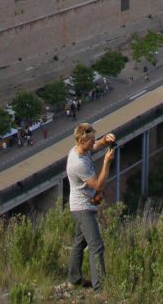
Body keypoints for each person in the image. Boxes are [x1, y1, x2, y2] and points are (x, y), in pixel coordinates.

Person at [67, 122, 116, 291]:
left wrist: (105, 140)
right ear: (81, 141)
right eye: (91, 141)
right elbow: (98, 185)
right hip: (83, 208)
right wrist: (106, 162)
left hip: (82, 204)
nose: (93, 143)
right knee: (96, 245)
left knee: (80, 243)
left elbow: (95, 145)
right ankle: (99, 288)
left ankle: (74, 279)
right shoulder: (78, 163)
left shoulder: (80, 149)